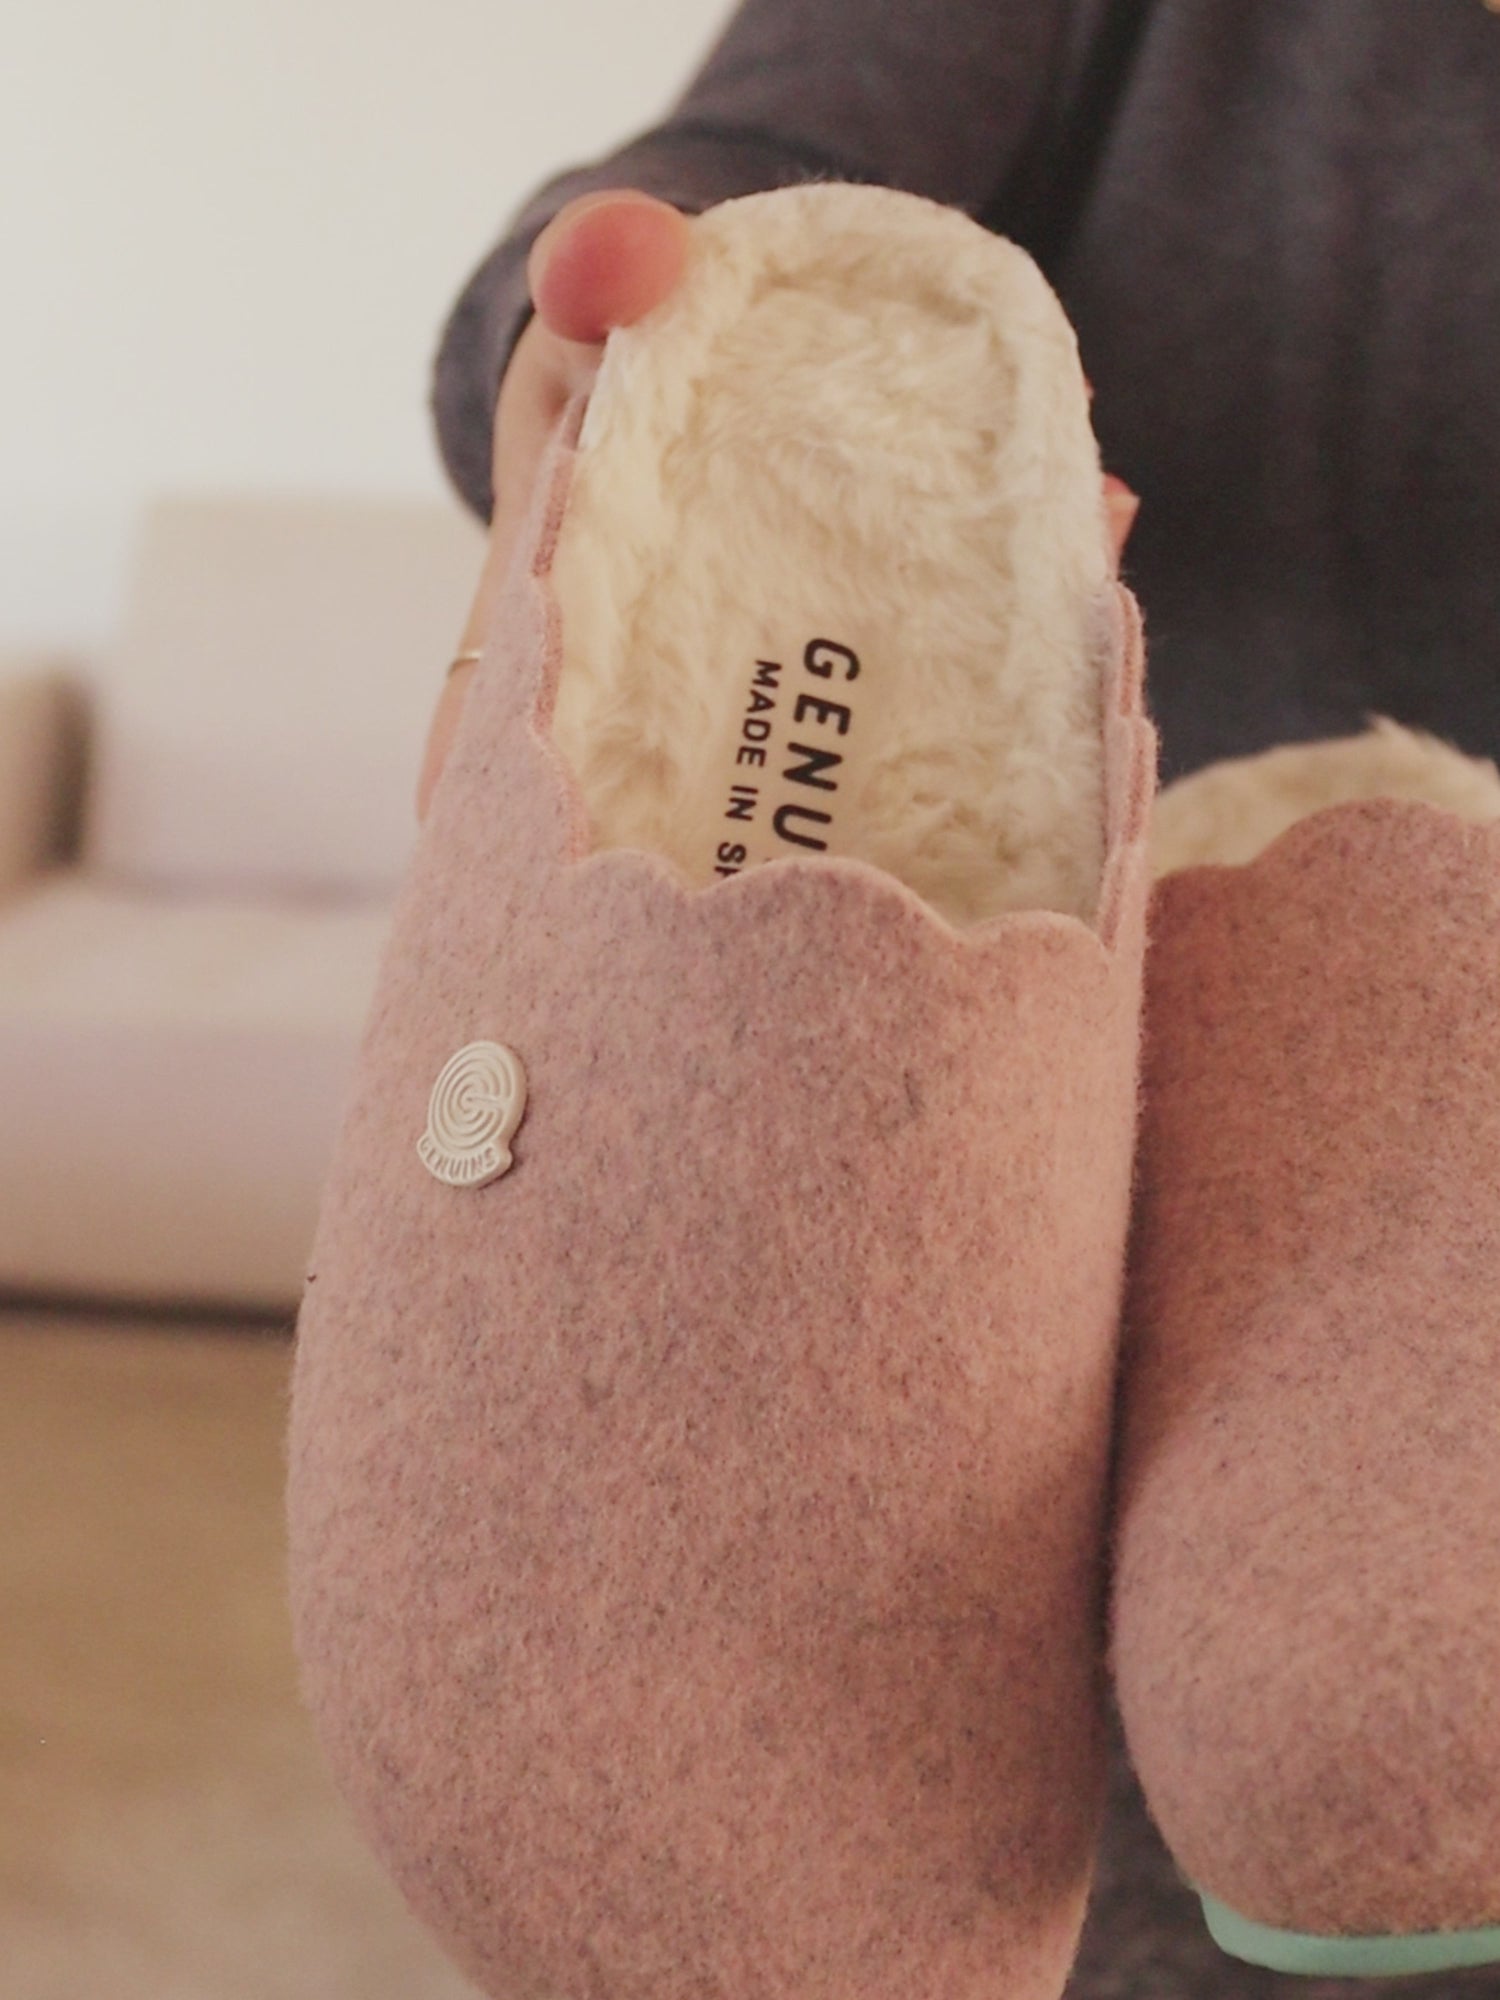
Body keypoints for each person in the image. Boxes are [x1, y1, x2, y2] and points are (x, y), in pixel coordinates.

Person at [413, 5, 1500, 1993]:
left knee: (1356, 1693)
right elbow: (759, 155)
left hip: (1402, 1063)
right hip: (1104, 1066)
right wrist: (609, 324)